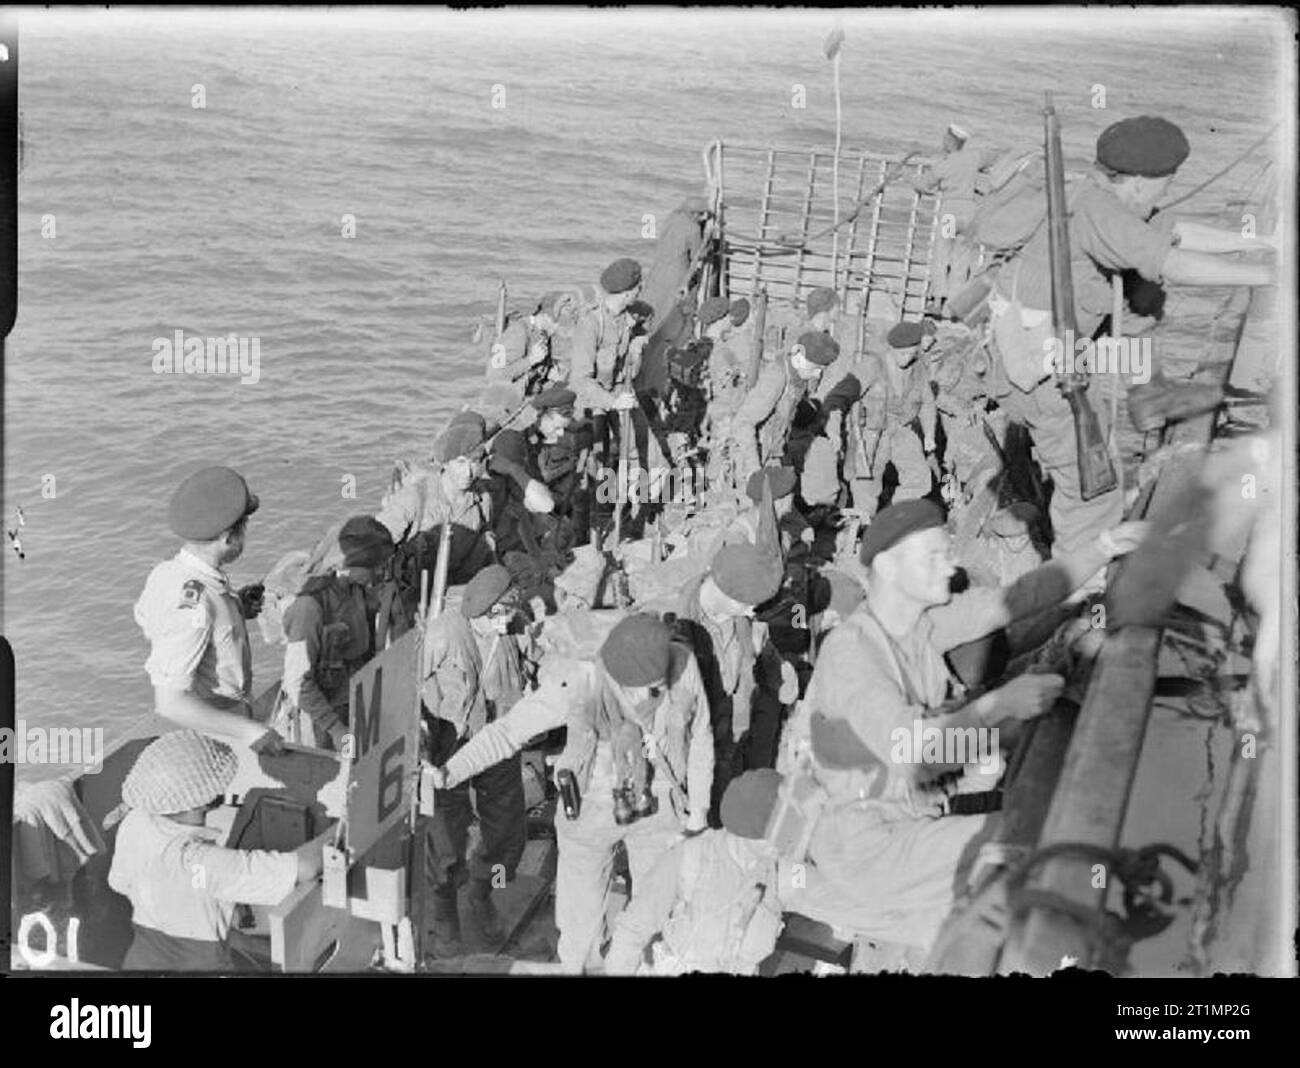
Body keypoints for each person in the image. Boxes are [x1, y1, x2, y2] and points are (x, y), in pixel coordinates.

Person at [785, 499, 1148, 958]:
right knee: (1038, 836)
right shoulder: (852, 655)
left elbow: (1019, 598)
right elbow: (914, 752)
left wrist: (1105, 545)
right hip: (867, 848)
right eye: (934, 556)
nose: (950, 564)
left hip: (909, 813)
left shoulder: (920, 625)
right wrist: (998, 706)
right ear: (888, 567)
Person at [988, 115, 1276, 554]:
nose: (1167, 191)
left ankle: (1149, 393)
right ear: (1140, 182)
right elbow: (1171, 263)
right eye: (1166, 182)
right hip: (1044, 374)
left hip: (1042, 354)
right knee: (1091, 494)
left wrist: (1262, 246)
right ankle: (1076, 596)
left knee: (1093, 477)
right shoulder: (1102, 213)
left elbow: (1172, 232)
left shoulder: (1097, 193)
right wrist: (1269, 276)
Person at [426, 613, 714, 971]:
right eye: (636, 688)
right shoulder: (578, 680)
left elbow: (701, 737)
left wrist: (698, 814)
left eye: (656, 687)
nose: (648, 696)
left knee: (654, 921)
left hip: (659, 806)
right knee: (579, 939)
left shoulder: (683, 665)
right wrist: (450, 771)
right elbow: (507, 732)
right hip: (590, 806)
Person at [105, 731, 322, 970]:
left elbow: (120, 883)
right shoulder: (204, 863)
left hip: (140, 960)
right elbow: (307, 868)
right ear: (203, 803)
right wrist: (345, 825)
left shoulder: (135, 823)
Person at [134, 466, 281, 754]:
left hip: (217, 720)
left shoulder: (166, 573)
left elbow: (155, 623)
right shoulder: (196, 605)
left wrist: (235, 606)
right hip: (213, 731)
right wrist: (251, 731)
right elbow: (170, 702)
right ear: (228, 538)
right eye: (244, 530)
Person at [420, 564, 528, 957]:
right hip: (447, 749)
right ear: (481, 612)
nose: (507, 622)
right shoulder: (443, 634)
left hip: (498, 741)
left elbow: (538, 665)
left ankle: (485, 893)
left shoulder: (514, 631)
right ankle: (444, 908)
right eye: (499, 615)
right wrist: (419, 739)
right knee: (446, 836)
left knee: (506, 831)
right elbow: (409, 685)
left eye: (510, 613)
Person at [603, 769, 786, 975]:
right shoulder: (689, 858)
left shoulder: (781, 869)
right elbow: (633, 928)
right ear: (747, 828)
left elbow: (813, 893)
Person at [670, 542, 789, 821]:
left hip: (730, 752)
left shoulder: (741, 620)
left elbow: (758, 658)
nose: (751, 611)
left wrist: (781, 673)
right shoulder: (675, 624)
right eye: (747, 605)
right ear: (725, 592)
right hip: (690, 768)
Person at [271, 516, 395, 750]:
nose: (381, 572)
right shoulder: (308, 608)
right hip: (320, 718)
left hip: (352, 701)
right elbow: (298, 683)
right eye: (375, 567)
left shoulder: (356, 592)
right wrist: (337, 730)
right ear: (349, 567)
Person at [376, 411, 496, 587]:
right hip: (413, 592)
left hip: (458, 590)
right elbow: (373, 544)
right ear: (446, 462)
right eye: (461, 462)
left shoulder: (482, 501)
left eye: (474, 462)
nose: (468, 472)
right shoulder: (415, 497)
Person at [850, 320, 940, 519]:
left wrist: (929, 435)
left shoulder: (919, 369)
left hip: (902, 429)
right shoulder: (873, 365)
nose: (907, 358)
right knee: (867, 481)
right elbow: (848, 394)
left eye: (911, 353)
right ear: (891, 348)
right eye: (902, 354)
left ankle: (893, 516)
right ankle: (862, 522)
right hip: (875, 430)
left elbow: (927, 403)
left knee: (920, 478)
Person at [729, 330, 839, 487]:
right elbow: (743, 422)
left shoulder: (798, 378)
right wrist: (754, 469)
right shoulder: (777, 376)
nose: (817, 375)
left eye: (821, 370)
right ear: (800, 359)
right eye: (815, 368)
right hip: (753, 458)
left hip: (775, 453)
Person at [915, 125, 1005, 306]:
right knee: (962, 257)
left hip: (950, 214)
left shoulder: (944, 164)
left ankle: (938, 298)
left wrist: (917, 183)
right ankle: (954, 301)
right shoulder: (973, 158)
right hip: (969, 213)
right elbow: (994, 156)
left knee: (942, 254)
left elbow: (924, 185)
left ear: (949, 141)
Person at [637, 196, 713, 397]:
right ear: (694, 214)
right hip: (676, 273)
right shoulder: (694, 229)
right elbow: (699, 254)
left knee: (651, 306)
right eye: (702, 214)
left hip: (658, 268)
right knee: (667, 312)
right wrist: (709, 243)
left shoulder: (672, 218)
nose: (704, 217)